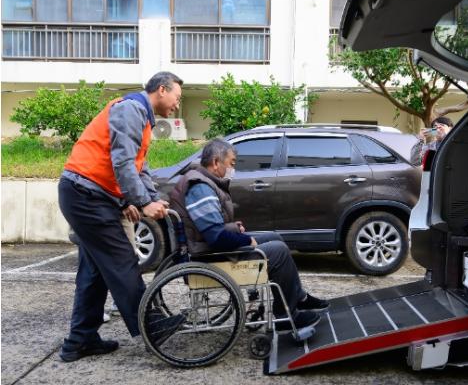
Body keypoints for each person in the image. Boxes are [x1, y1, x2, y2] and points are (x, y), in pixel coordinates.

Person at [58, 71, 183, 362]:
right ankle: (151, 326)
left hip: (87, 195)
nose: (178, 105)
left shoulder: (143, 119)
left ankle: (80, 340)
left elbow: (139, 167)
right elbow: (122, 162)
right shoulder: (131, 109)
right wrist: (142, 202)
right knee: (122, 261)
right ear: (161, 90)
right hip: (85, 195)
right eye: (177, 98)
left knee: (94, 272)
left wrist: (150, 198)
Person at [169, 139, 329, 333]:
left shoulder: (203, 181)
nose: (233, 169)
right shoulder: (200, 187)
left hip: (207, 247)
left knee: (274, 237)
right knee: (278, 251)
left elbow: (209, 227)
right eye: (232, 163)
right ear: (216, 162)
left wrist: (232, 227)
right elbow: (216, 238)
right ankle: (285, 316)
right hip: (208, 255)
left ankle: (298, 298)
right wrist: (245, 240)